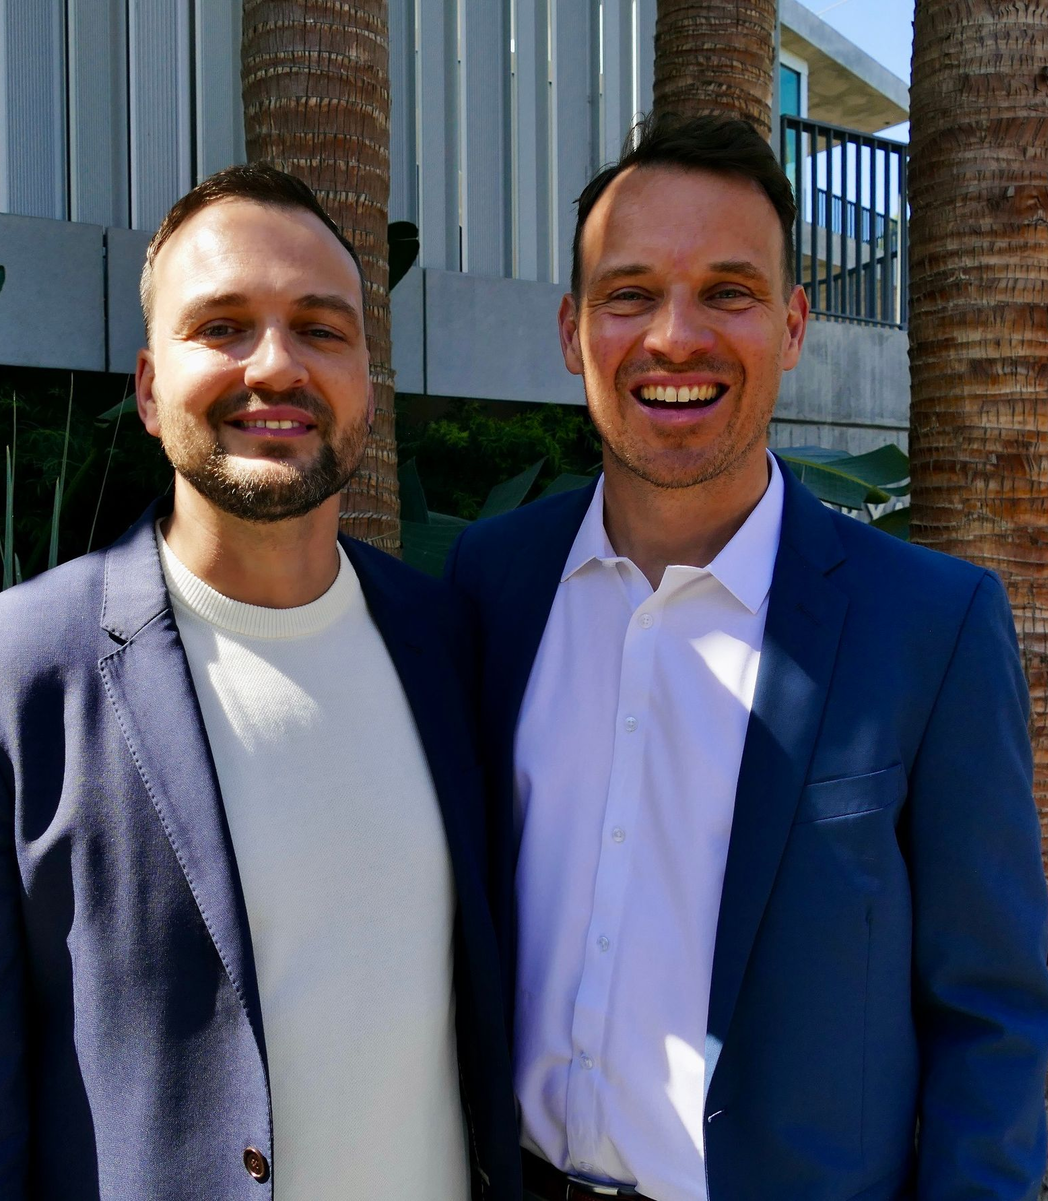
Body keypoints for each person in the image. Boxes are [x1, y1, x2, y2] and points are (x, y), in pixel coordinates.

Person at [0, 163, 520, 1200]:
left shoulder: (451, 642)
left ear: (366, 377)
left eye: (322, 327)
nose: (276, 365)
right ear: (146, 386)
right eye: (222, 326)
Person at [447, 113, 1048, 1201]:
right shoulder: (491, 585)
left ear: (793, 324)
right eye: (630, 294)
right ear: (573, 331)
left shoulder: (931, 623)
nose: (676, 336)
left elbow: (994, 1013)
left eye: (728, 291)